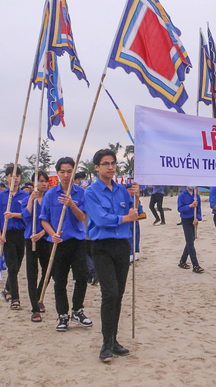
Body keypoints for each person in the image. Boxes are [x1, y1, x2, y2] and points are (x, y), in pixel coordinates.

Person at [84, 149, 139, 362]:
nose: (111, 167)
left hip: (122, 246)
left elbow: (136, 213)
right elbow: (101, 219)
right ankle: (106, 343)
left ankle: (114, 340)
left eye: (113, 163)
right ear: (97, 167)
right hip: (102, 247)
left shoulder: (121, 190)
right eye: (105, 163)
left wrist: (136, 196)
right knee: (110, 293)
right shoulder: (91, 192)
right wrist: (125, 218)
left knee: (119, 294)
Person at [40, 157, 92, 331]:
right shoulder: (50, 194)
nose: (66, 175)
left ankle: (77, 310)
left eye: (69, 171)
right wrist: (52, 234)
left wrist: (71, 204)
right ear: (57, 173)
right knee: (59, 281)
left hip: (77, 240)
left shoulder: (80, 193)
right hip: (57, 242)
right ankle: (62, 315)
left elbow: (82, 217)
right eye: (62, 171)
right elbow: (44, 220)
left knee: (82, 277)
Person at [0, 165, 29, 310]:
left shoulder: (26, 196)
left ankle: (7, 288)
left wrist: (14, 215)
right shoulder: (0, 196)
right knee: (12, 267)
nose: (15, 178)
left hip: (22, 234)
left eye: (17, 176)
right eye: (12, 175)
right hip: (7, 234)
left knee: (17, 265)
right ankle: (15, 298)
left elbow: (29, 216)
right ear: (7, 177)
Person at [21, 172, 52, 322]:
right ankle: (35, 307)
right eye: (40, 181)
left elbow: (54, 219)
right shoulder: (28, 199)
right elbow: (26, 218)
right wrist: (30, 200)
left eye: (45, 181)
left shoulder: (50, 199)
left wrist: (42, 232)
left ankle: (39, 296)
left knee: (48, 271)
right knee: (32, 273)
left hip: (46, 238)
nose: (43, 184)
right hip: (31, 239)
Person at [177, 186, 203, 273]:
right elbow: (180, 209)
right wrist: (190, 206)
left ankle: (182, 261)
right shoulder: (182, 195)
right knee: (190, 242)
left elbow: (199, 209)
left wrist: (198, 218)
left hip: (193, 219)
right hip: (186, 219)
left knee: (191, 240)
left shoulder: (196, 195)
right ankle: (196, 265)